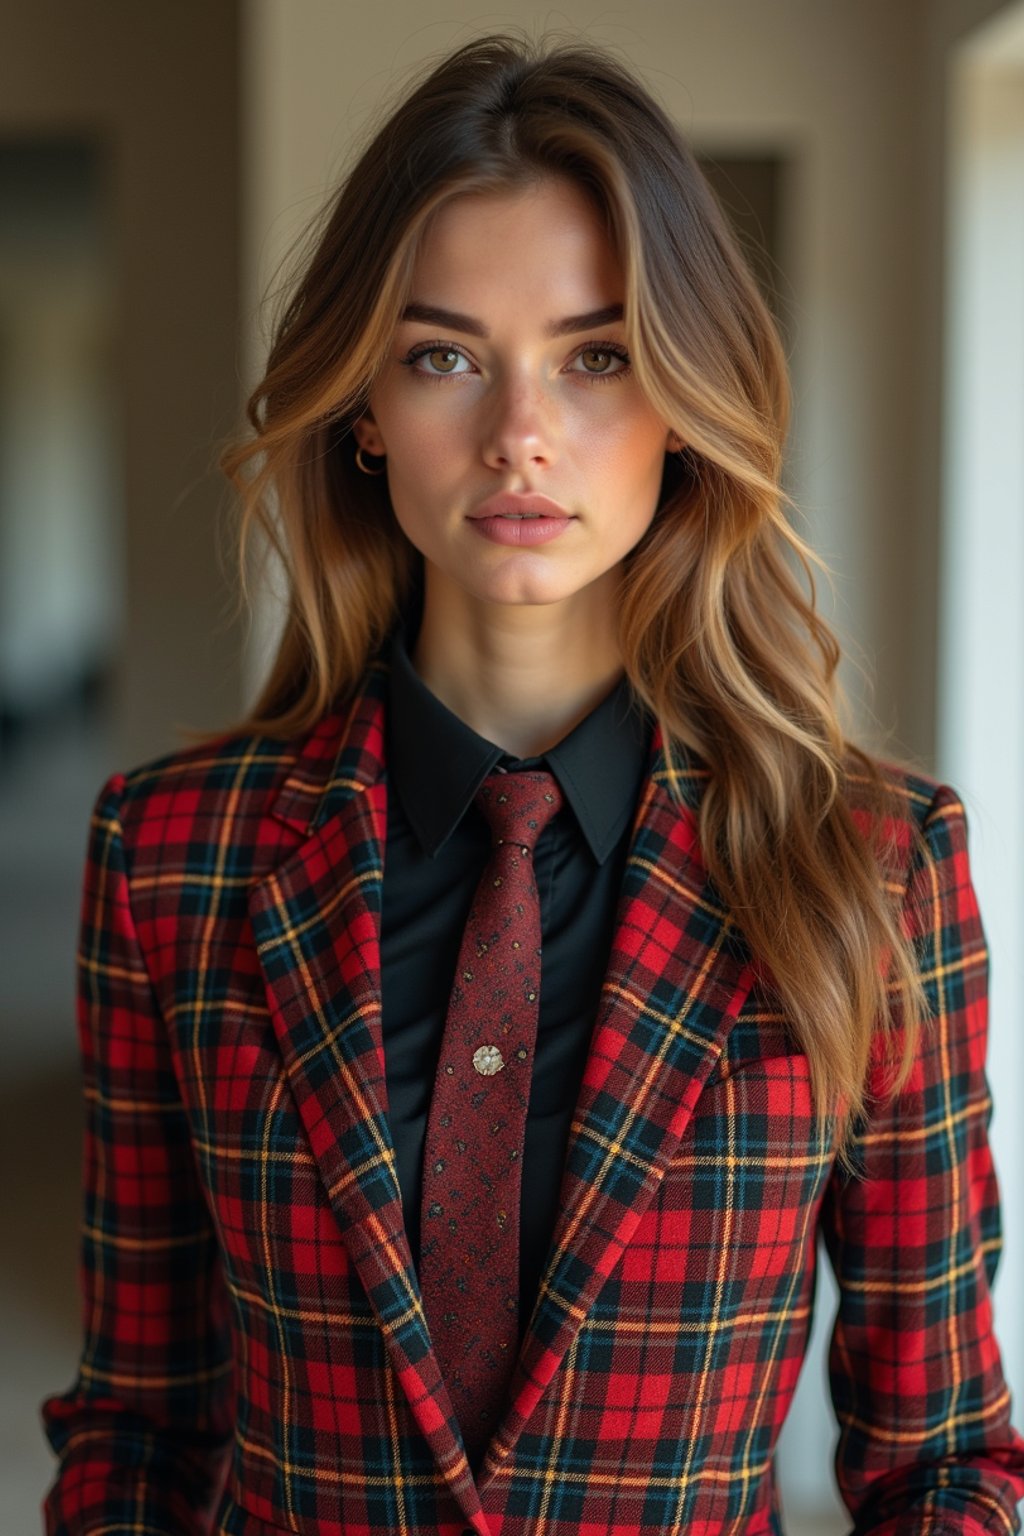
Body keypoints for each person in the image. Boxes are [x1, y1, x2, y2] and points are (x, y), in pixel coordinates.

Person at [41, 29, 1024, 1536]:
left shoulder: (875, 866)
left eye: (598, 354)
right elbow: (140, 1432)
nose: (519, 437)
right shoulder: (171, 857)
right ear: (364, 408)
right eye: (446, 357)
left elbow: (945, 1461)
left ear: (687, 396)